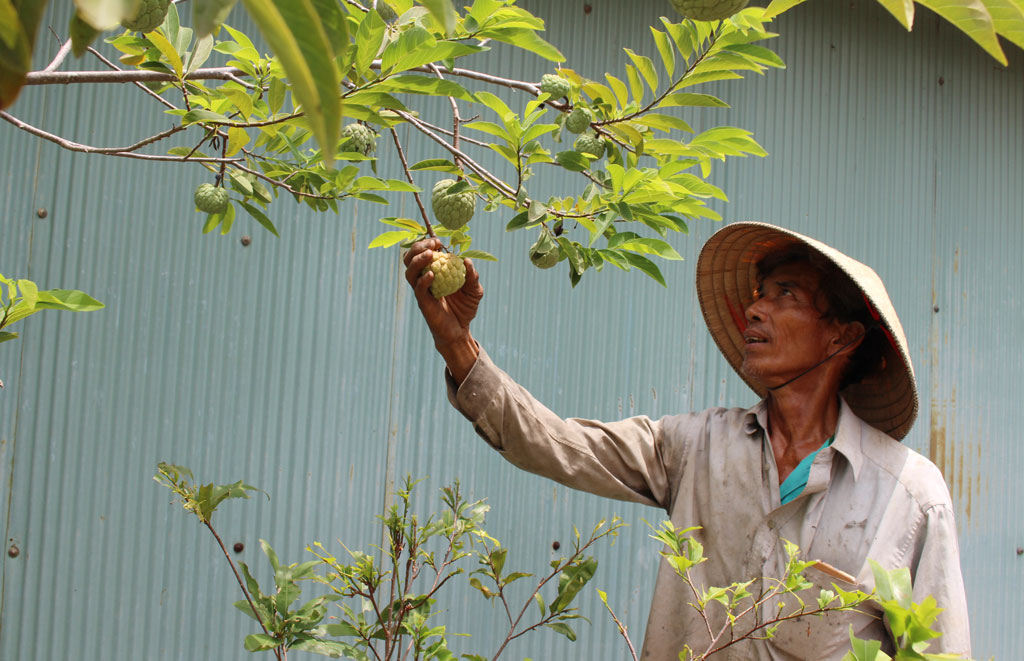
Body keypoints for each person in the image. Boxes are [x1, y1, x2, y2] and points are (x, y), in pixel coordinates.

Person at [403, 222, 971, 660]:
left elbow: (938, 650)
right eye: (758, 292)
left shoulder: (909, 495)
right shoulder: (697, 446)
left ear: (841, 336)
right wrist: (457, 344)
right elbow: (556, 443)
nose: (755, 307)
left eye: (785, 295)